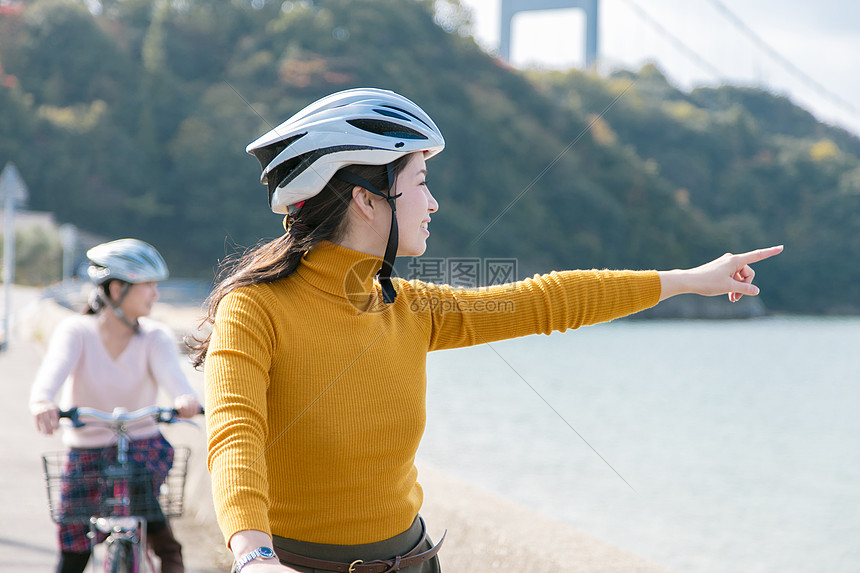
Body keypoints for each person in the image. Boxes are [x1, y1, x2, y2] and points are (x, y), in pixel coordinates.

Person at [190, 87, 782, 573]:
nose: (434, 202)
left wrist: (684, 279)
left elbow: (544, 300)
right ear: (367, 199)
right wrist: (253, 554)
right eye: (420, 181)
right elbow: (234, 431)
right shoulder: (255, 308)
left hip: (413, 560)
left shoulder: (407, 306)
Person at [30, 238, 202, 573]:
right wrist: (42, 402)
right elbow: (49, 379)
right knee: (74, 552)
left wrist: (185, 401)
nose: (156, 294)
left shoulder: (156, 337)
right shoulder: (76, 332)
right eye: (148, 286)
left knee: (167, 548)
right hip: (86, 453)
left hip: (142, 449)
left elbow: (176, 382)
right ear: (117, 289)